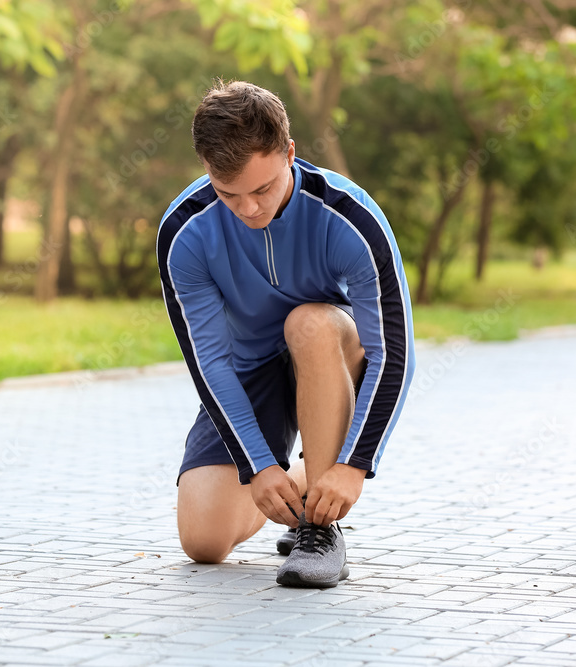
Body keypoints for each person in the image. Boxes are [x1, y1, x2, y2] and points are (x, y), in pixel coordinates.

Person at [156, 80, 414, 588]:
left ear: (289, 153)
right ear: (207, 168)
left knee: (309, 322)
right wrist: (258, 467)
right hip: (250, 367)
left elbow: (393, 351)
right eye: (229, 193)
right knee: (203, 543)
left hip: (331, 351)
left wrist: (353, 467)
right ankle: (304, 489)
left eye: (263, 188)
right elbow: (209, 362)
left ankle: (320, 531)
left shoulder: (350, 217)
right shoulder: (184, 232)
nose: (249, 208)